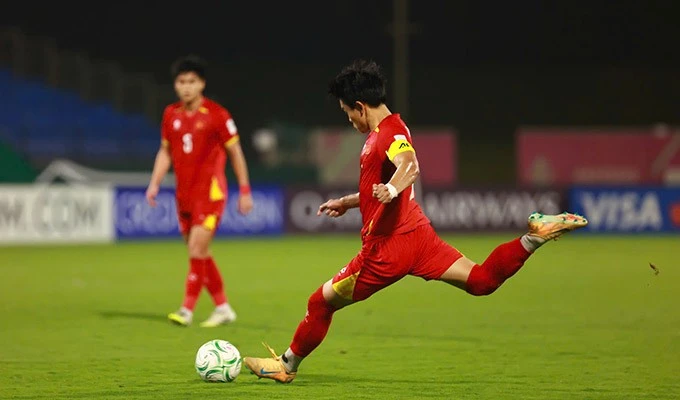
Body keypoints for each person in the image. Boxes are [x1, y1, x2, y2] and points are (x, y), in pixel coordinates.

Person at [242, 59, 588, 383]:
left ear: (360, 106)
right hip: (418, 236)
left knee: (320, 303)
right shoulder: (394, 126)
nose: (349, 121)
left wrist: (392, 189)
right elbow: (386, 179)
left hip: (386, 251)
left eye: (347, 113)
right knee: (481, 281)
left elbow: (409, 165)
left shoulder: (387, 135)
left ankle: (286, 366)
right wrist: (349, 202)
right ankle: (534, 237)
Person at [145, 55, 254, 327]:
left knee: (196, 248)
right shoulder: (171, 114)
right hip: (184, 196)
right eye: (181, 82)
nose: (186, 87)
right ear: (175, 85)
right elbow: (165, 152)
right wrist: (155, 183)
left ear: (202, 84)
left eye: (192, 81)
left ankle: (186, 310)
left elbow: (236, 153)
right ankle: (223, 308)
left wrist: (244, 190)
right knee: (200, 254)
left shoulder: (218, 115)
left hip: (210, 194)